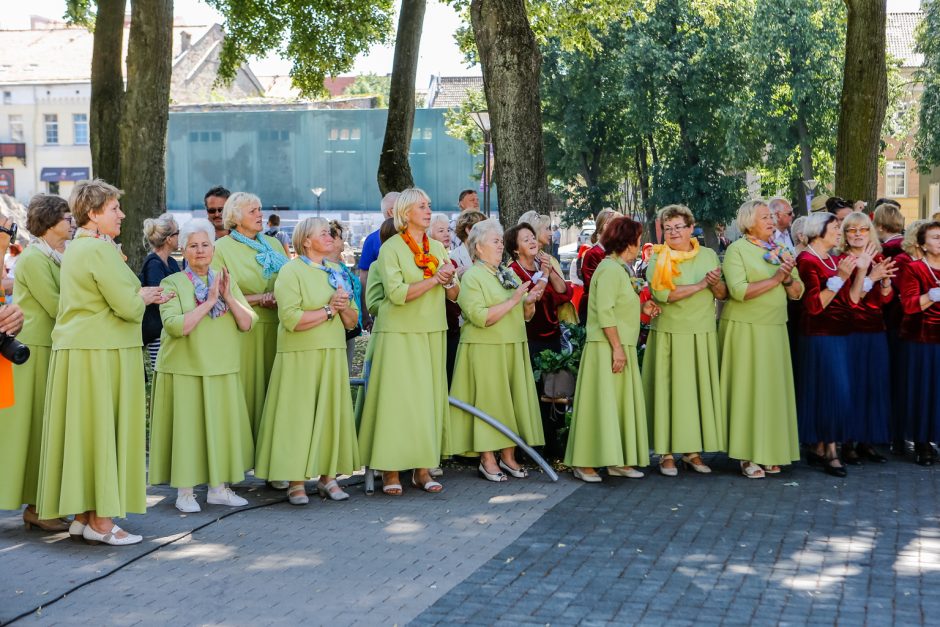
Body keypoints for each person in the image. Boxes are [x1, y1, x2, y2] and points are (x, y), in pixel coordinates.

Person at [37, 179, 172, 545]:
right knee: (103, 430)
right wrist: (144, 294)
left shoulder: (81, 246)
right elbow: (127, 306)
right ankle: (101, 522)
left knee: (87, 431)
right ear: (94, 213)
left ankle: (84, 516)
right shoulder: (98, 250)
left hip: (84, 350)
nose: (122, 214)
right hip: (101, 353)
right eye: (114, 208)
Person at [148, 219, 257, 513]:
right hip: (185, 368)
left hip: (222, 366)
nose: (200, 251)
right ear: (183, 249)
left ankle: (218, 489)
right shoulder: (171, 282)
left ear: (213, 248)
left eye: (205, 244)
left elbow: (246, 323)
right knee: (188, 431)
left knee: (220, 430)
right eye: (193, 245)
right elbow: (175, 327)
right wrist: (209, 303)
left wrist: (227, 297)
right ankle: (185, 492)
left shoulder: (225, 279)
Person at [358, 188, 459, 496]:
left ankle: (422, 468)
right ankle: (389, 470)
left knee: (426, 401)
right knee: (396, 401)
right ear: (404, 213)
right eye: (422, 206)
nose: (428, 211)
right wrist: (434, 280)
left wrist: (452, 280)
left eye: (429, 205)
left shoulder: (439, 248)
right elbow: (397, 294)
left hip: (431, 331)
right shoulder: (391, 249)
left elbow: (454, 295)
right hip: (399, 333)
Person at [254, 218, 361, 505]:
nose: (331, 237)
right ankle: (295, 481)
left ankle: (328, 478)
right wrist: (328, 310)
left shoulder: (338, 270)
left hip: (333, 352)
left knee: (330, 414)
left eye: (330, 233)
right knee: (297, 417)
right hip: (299, 355)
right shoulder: (291, 271)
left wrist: (341, 308)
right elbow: (291, 320)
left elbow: (352, 320)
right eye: (323, 233)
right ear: (306, 241)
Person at [565, 216, 661, 482]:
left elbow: (618, 304)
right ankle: (584, 462)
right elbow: (604, 312)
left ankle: (616, 459)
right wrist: (617, 348)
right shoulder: (608, 269)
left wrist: (643, 307)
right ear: (627, 241)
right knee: (599, 404)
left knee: (616, 405)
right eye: (638, 237)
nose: (641, 242)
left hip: (620, 345)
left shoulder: (622, 268)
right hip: (606, 347)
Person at [447, 218, 543, 481]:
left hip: (512, 347)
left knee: (509, 403)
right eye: (496, 241)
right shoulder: (472, 277)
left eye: (501, 241)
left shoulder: (507, 273)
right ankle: (487, 458)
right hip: (485, 350)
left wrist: (529, 302)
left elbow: (524, 315)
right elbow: (480, 317)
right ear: (478, 248)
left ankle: (509, 456)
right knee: (489, 404)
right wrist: (514, 300)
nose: (501, 245)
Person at [719, 199, 803, 479]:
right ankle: (745, 455)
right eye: (765, 217)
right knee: (747, 392)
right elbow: (739, 290)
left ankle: (770, 451)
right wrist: (777, 278)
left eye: (771, 217)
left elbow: (798, 292)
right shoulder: (736, 250)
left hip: (775, 329)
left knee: (770, 393)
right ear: (748, 222)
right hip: (745, 329)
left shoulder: (779, 249)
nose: (771, 221)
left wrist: (789, 279)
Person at [643, 205, 727, 476]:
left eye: (679, 226)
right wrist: (703, 285)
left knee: (694, 394)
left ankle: (692, 452)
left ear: (692, 228)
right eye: (668, 228)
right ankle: (666, 454)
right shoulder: (658, 257)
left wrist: (714, 284)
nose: (673, 232)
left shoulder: (708, 255)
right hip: (669, 333)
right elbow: (663, 294)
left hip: (701, 332)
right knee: (669, 394)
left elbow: (723, 294)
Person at [0, 195, 67, 531]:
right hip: (33, 352)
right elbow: (58, 306)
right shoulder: (35, 259)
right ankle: (35, 507)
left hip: (47, 349)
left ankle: (39, 504)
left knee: (42, 431)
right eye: (67, 218)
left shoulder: (53, 257)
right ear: (52, 222)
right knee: (29, 431)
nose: (72, 223)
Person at [211, 192, 287, 443]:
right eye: (253, 211)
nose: (260, 214)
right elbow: (218, 293)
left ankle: (274, 461)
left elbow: (291, 279)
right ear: (235, 216)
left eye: (260, 209)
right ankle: (240, 455)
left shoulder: (274, 245)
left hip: (279, 328)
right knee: (247, 394)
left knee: (275, 395)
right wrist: (259, 299)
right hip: (243, 330)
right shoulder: (221, 248)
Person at [795, 212, 859, 477]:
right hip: (817, 336)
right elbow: (813, 305)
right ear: (817, 231)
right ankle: (830, 450)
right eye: (834, 227)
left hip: (841, 335)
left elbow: (851, 301)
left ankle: (820, 446)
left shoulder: (834, 260)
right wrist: (841, 278)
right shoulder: (807, 260)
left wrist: (864, 272)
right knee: (830, 391)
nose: (838, 232)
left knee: (835, 391)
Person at [505, 222, 573, 453]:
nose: (533, 241)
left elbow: (564, 292)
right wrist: (543, 275)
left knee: (556, 391)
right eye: (526, 239)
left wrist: (550, 270)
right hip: (530, 339)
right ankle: (533, 446)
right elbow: (534, 297)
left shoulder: (543, 263)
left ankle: (555, 445)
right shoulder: (512, 271)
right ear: (515, 249)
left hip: (552, 336)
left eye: (533, 237)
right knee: (534, 393)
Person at [838, 212, 895, 464]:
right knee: (853, 387)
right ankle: (848, 442)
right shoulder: (842, 259)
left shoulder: (879, 257)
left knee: (874, 386)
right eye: (852, 230)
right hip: (851, 331)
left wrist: (884, 283)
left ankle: (867, 441)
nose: (858, 234)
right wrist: (871, 277)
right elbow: (853, 298)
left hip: (876, 330)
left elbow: (885, 300)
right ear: (844, 234)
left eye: (863, 229)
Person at [899, 221, 940, 466]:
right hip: (922, 339)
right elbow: (910, 305)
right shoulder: (914, 268)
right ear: (923, 244)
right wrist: (931, 296)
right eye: (935, 237)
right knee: (924, 391)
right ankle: (922, 442)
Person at [140, 213, 181, 368]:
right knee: (163, 367)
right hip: (158, 330)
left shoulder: (170, 262)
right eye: (178, 233)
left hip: (169, 325)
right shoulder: (154, 264)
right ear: (169, 239)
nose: (180, 237)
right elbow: (158, 296)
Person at [357, 192, 399, 331]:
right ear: (391, 211)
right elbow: (364, 278)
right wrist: (364, 313)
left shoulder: (416, 236)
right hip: (383, 308)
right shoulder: (373, 240)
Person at [429, 214, 462, 382]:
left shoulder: (451, 261)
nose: (447, 234)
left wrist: (450, 282)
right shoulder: (426, 260)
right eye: (440, 230)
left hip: (452, 325)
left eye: (448, 230)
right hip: (432, 325)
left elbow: (455, 296)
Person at [328, 219, 363, 374]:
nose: (344, 241)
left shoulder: (342, 267)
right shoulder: (324, 267)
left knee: (345, 371)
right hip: (334, 329)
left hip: (350, 327)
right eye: (341, 237)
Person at [577, 208, 619, 324]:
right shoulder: (592, 253)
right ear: (606, 226)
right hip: (593, 309)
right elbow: (592, 285)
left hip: (610, 307)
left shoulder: (614, 252)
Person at [450, 211, 486, 275]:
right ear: (469, 230)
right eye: (482, 229)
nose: (486, 233)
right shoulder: (454, 258)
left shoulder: (485, 253)